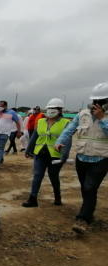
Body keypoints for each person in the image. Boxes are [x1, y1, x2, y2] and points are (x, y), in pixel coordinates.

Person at [55, 82, 108, 236]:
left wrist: (102, 119)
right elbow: (69, 129)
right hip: (82, 157)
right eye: (95, 101)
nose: (97, 105)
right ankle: (89, 211)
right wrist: (60, 141)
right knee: (85, 188)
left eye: (101, 101)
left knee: (90, 187)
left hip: (101, 158)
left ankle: (82, 219)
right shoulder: (82, 114)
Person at [22, 98, 71, 208]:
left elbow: (68, 141)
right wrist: (28, 149)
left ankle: (57, 197)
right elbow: (34, 136)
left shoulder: (65, 123)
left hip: (55, 155)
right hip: (40, 154)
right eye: (49, 108)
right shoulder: (41, 121)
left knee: (53, 177)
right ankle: (32, 199)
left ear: (59, 110)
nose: (50, 110)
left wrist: (64, 156)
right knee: (37, 175)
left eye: (53, 108)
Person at [0, 101, 21, 168]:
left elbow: (17, 122)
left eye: (2, 106)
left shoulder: (12, 112)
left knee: (0, 147)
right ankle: (0, 159)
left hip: (5, 133)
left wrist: (19, 132)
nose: (0, 107)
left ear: (6, 106)